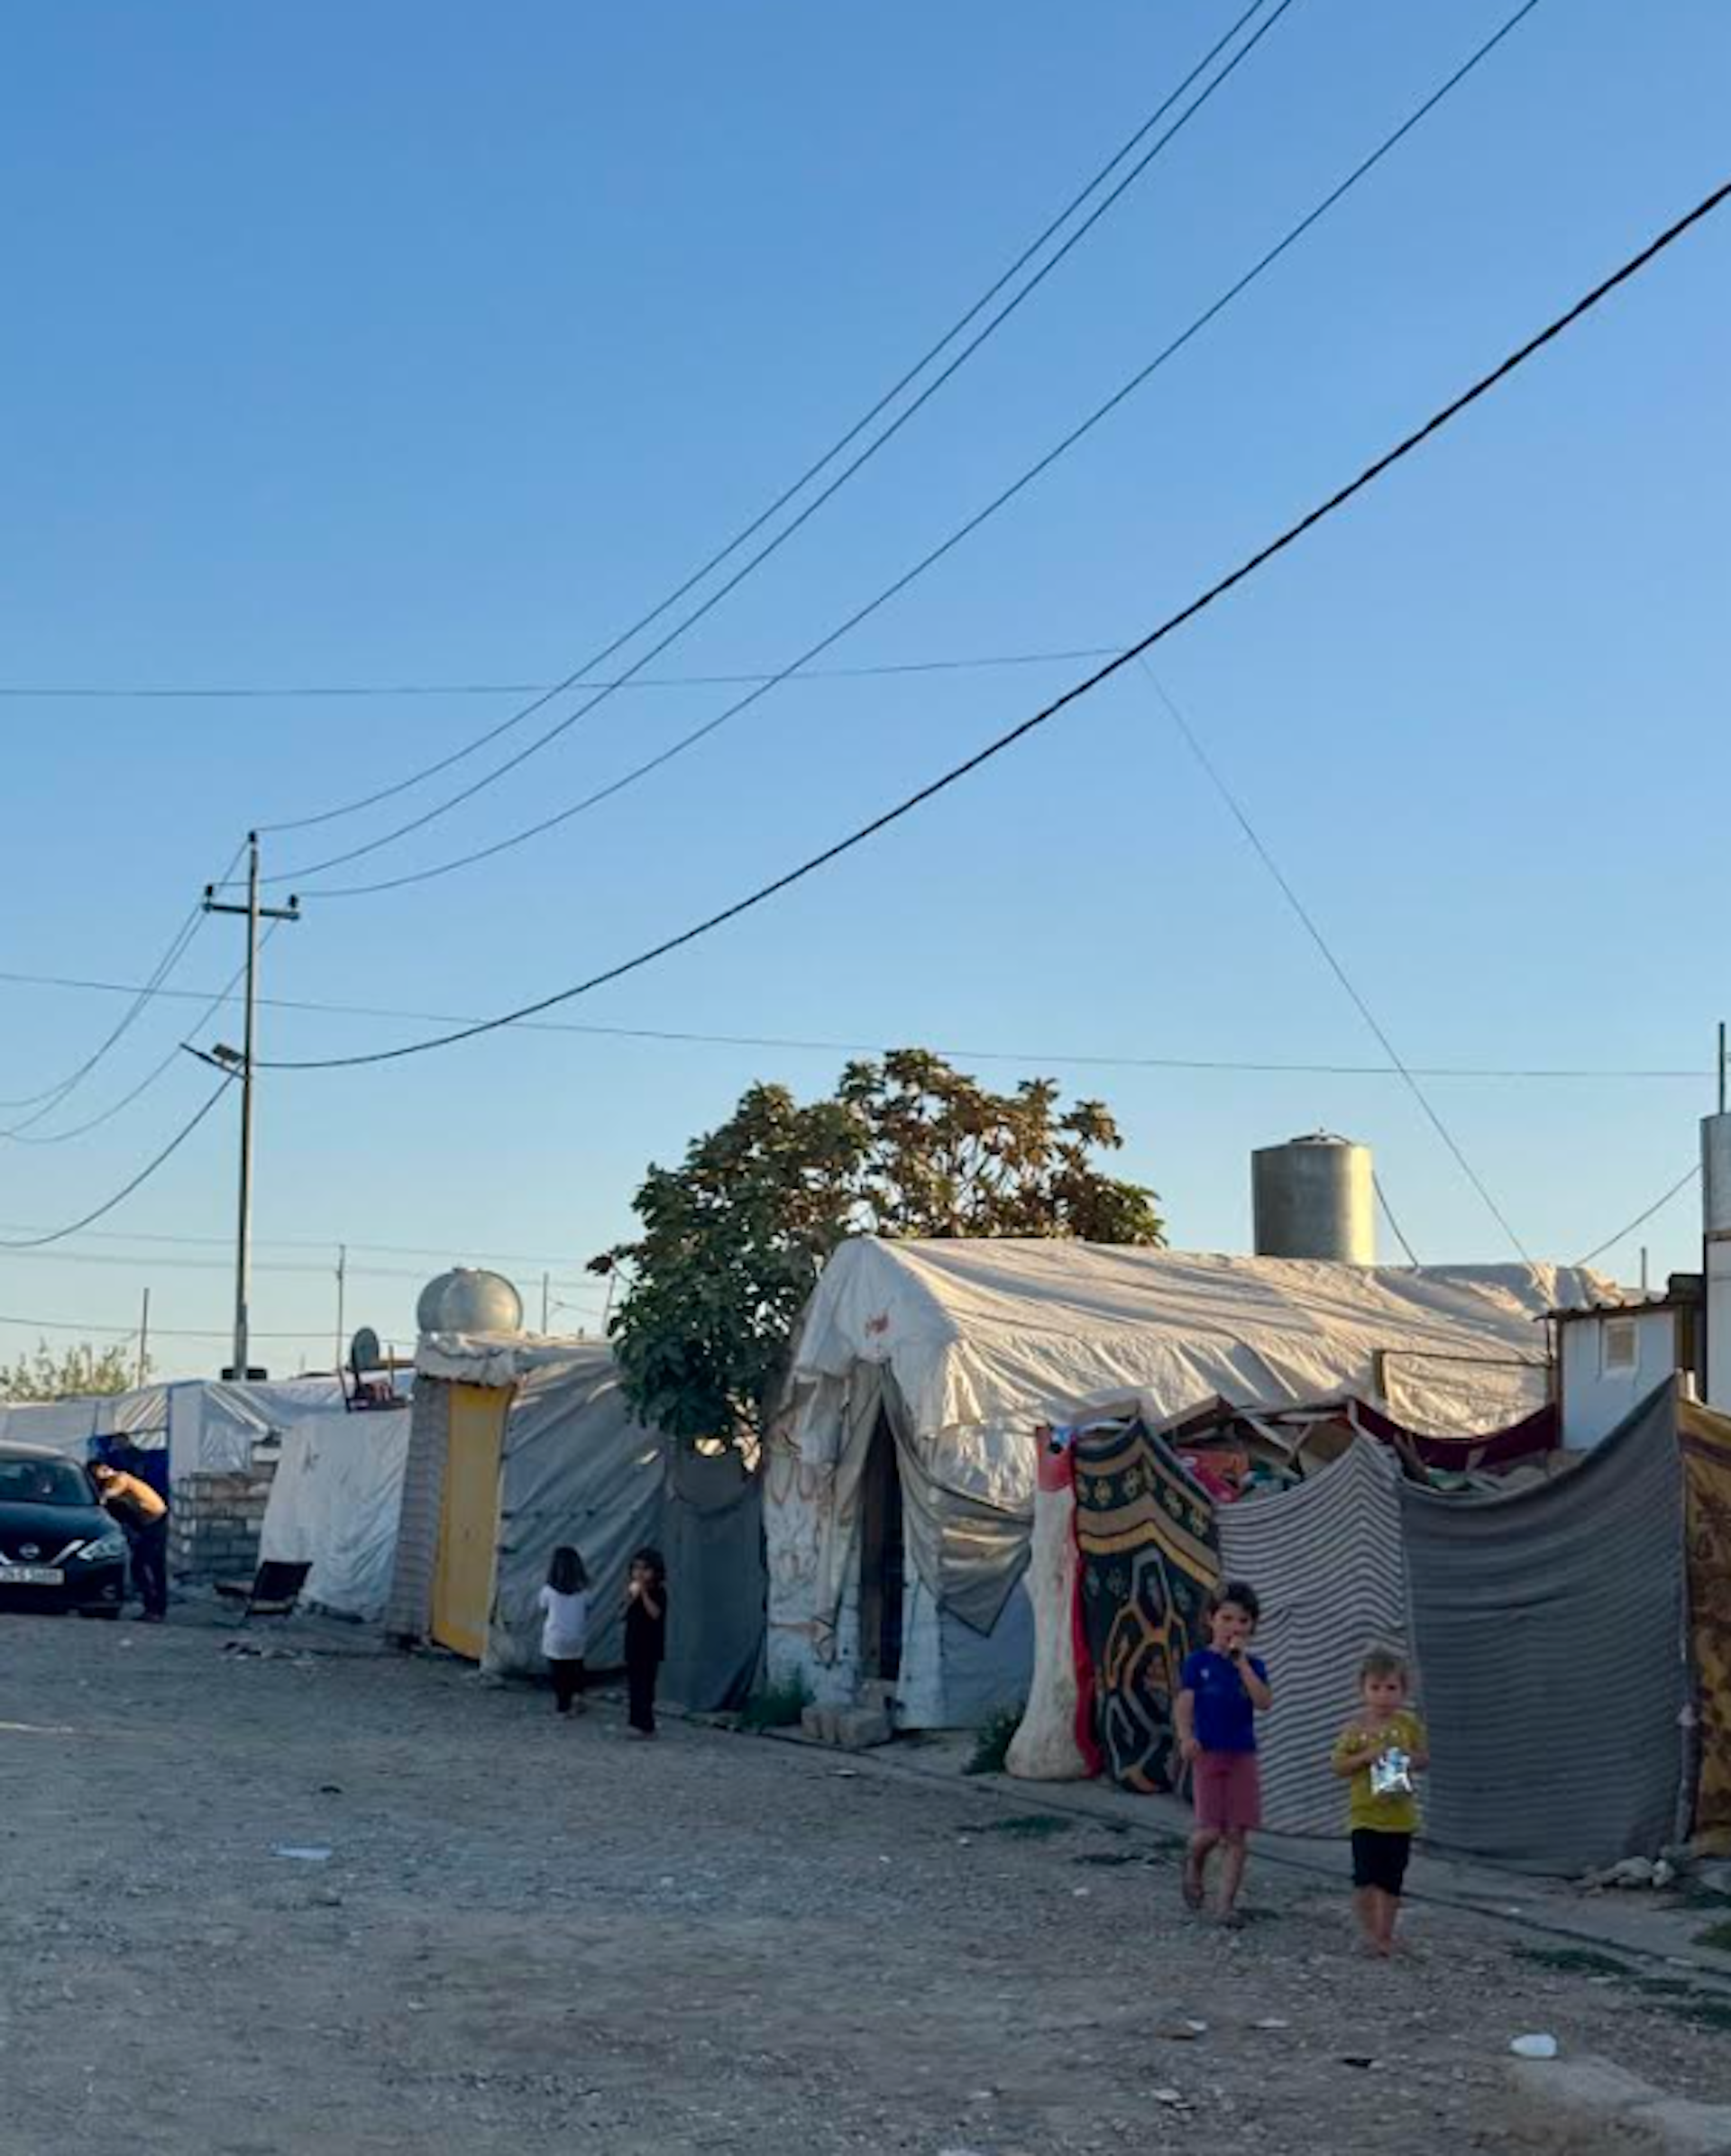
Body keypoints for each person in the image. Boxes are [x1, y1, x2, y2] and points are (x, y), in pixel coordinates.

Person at [1176, 1579, 1272, 1927]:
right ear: (1211, 1620)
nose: (1234, 1627)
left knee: (1237, 1833)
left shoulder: (1254, 1665)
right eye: (1227, 1618)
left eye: (1243, 1621)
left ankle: (1225, 1905)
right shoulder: (1198, 1662)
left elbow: (1264, 1703)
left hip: (1242, 1754)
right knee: (1210, 1831)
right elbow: (1185, 1704)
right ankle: (1194, 1859)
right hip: (1208, 1754)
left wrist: (1242, 1665)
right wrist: (1185, 1737)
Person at [1332, 1648, 1430, 1958]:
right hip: (1365, 1817)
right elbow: (1338, 1765)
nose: (1383, 1696)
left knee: (1391, 1882)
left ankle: (1385, 1935)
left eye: (1391, 1688)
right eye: (1376, 1688)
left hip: (1400, 1817)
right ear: (1363, 1689)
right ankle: (1368, 1932)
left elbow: (1424, 1759)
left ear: (1403, 1691)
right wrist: (1365, 1757)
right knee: (1364, 1880)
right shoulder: (1356, 1729)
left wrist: (1408, 1757)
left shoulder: (1408, 1725)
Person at [90, 1460, 169, 1622]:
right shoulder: (117, 1482)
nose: (95, 1478)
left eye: (95, 1473)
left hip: (154, 1522)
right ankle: (156, 1608)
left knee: (143, 1566)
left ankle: (153, 1608)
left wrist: (95, 1498)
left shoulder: (120, 1478)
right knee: (152, 1567)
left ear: (105, 1470)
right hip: (152, 1522)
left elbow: (107, 1496)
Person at [536, 1546, 590, 1717]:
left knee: (559, 1673)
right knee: (576, 1668)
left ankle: (563, 1707)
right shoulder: (584, 1590)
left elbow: (542, 1608)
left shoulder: (548, 1590)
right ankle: (578, 1698)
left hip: (555, 1637)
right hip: (577, 1636)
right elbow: (588, 1608)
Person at [623, 1548, 668, 1739]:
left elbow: (655, 1614)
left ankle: (647, 1725)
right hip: (633, 1643)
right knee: (634, 1685)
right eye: (636, 1568)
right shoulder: (631, 1589)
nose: (639, 1573)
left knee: (646, 1686)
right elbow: (622, 1614)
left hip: (650, 1646)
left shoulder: (659, 1592)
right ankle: (635, 1723)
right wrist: (630, 1598)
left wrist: (643, 1595)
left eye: (645, 1569)